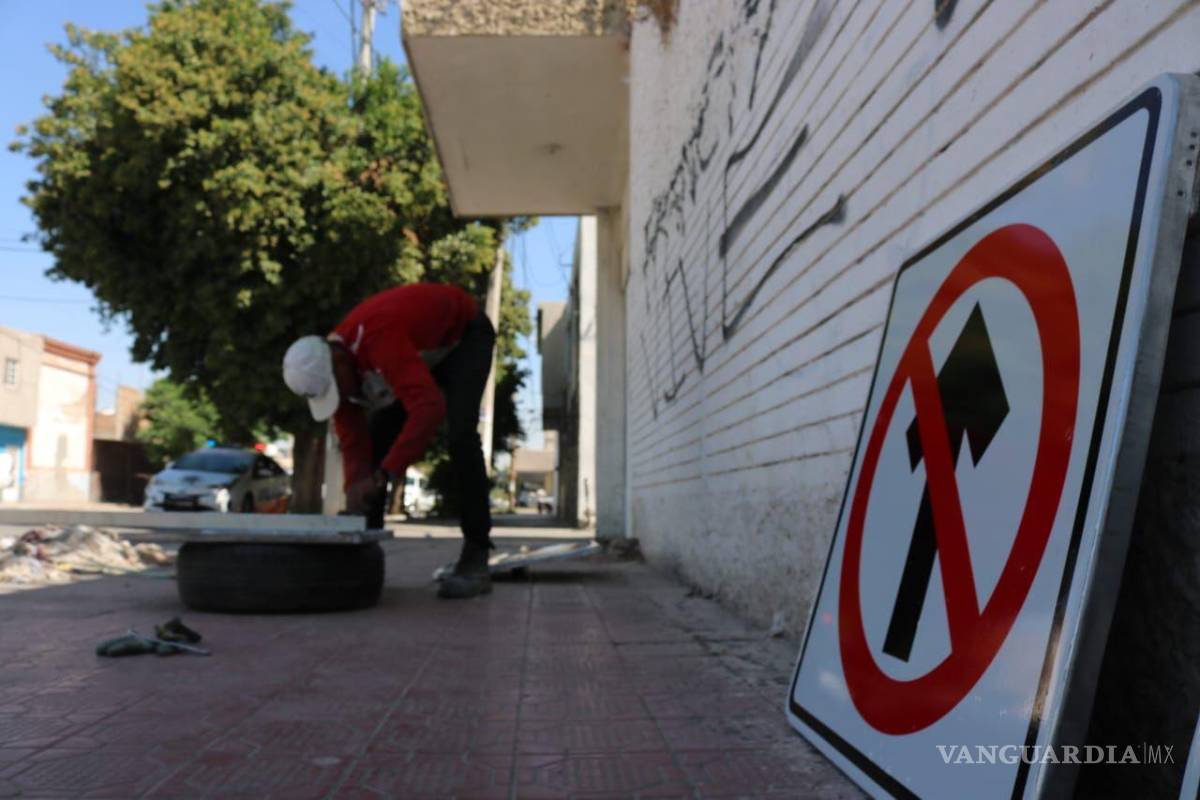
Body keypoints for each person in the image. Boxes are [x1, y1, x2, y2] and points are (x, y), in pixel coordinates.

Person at [282, 283, 495, 599]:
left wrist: (384, 474)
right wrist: (356, 489)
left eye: (336, 390)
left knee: (461, 437)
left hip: (464, 336)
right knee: (378, 438)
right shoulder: (337, 365)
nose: (339, 398)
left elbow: (429, 408)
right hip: (422, 351)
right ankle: (364, 553)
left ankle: (476, 555)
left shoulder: (379, 337)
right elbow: (353, 440)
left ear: (339, 363)